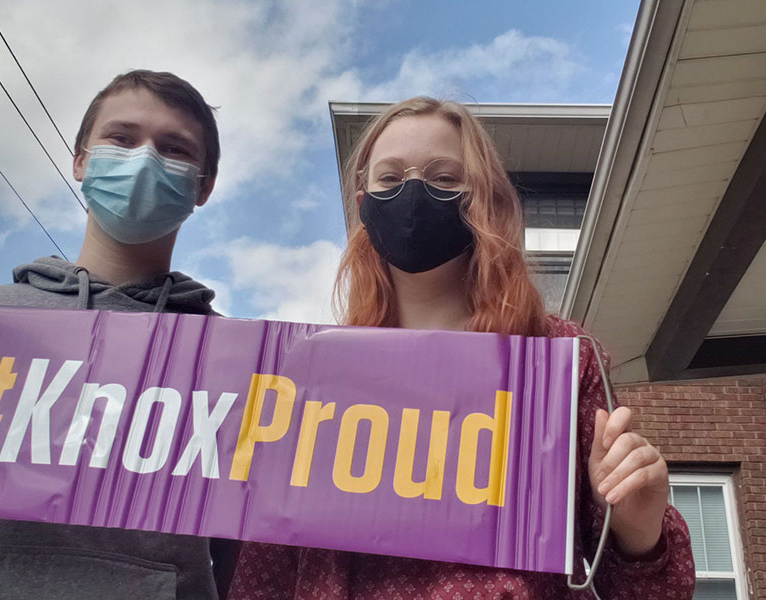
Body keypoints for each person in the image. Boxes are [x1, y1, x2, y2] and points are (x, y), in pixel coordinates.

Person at [227, 98, 696, 599]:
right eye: (389, 178)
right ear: (363, 204)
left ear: (484, 200)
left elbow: (641, 588)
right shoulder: (310, 373)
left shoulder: (558, 358)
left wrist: (637, 526)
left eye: (444, 177)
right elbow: (267, 570)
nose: (412, 191)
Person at [0, 70, 238, 600]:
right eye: (122, 138)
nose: (145, 158)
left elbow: (253, 552)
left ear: (203, 187)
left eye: (174, 148)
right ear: (81, 161)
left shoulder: (235, 361)